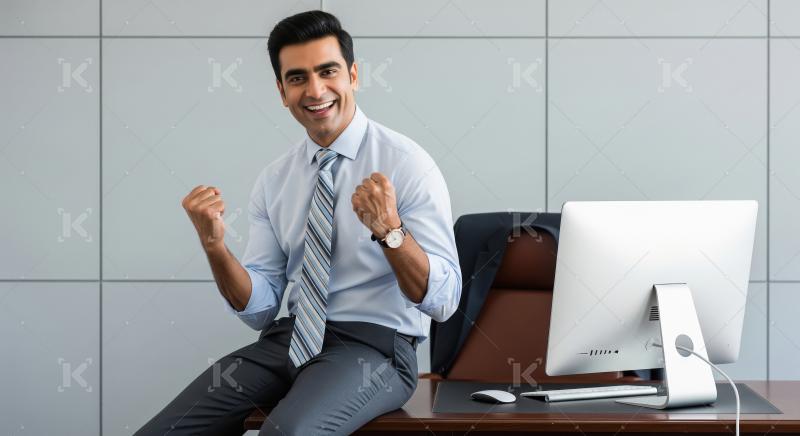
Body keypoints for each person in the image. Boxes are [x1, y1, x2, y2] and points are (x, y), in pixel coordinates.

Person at [135, 9, 462, 436]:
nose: (315, 90)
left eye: (328, 71)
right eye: (297, 78)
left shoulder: (408, 165)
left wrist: (391, 231)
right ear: (281, 90)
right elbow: (261, 308)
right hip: (286, 341)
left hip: (375, 349)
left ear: (354, 76)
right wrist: (216, 248)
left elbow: (444, 301)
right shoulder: (275, 179)